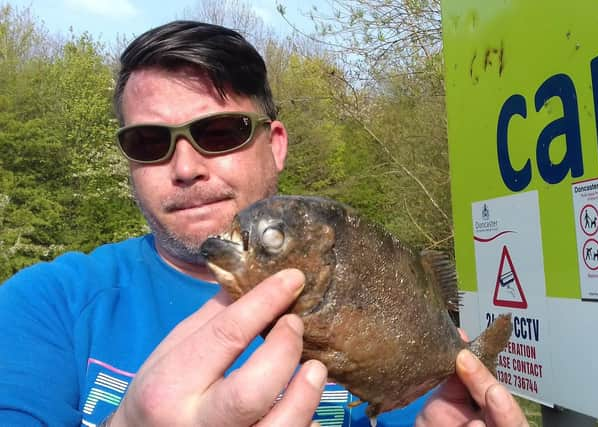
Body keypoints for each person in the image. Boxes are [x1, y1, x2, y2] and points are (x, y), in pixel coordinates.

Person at [0, 20, 528, 427]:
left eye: (221, 131)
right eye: (149, 142)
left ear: (275, 145)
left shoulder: (407, 345)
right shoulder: (41, 305)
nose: (185, 168)